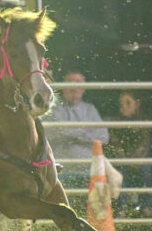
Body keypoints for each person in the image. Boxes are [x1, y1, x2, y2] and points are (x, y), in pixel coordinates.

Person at [44, 69, 109, 210]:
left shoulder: (90, 109)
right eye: (70, 82)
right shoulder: (53, 108)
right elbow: (60, 130)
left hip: (88, 171)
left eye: (78, 82)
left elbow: (103, 136)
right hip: (63, 173)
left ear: (84, 87)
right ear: (63, 86)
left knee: (90, 210)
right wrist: (85, 131)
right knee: (64, 208)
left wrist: (72, 132)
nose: (74, 86)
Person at [105, 91, 152, 217]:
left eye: (128, 103)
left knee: (146, 171)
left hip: (139, 158)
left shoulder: (143, 121)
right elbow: (115, 143)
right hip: (122, 158)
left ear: (137, 105)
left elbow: (145, 143)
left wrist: (137, 158)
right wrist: (124, 158)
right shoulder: (116, 122)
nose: (123, 107)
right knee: (119, 172)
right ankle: (121, 208)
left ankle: (146, 207)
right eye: (121, 104)